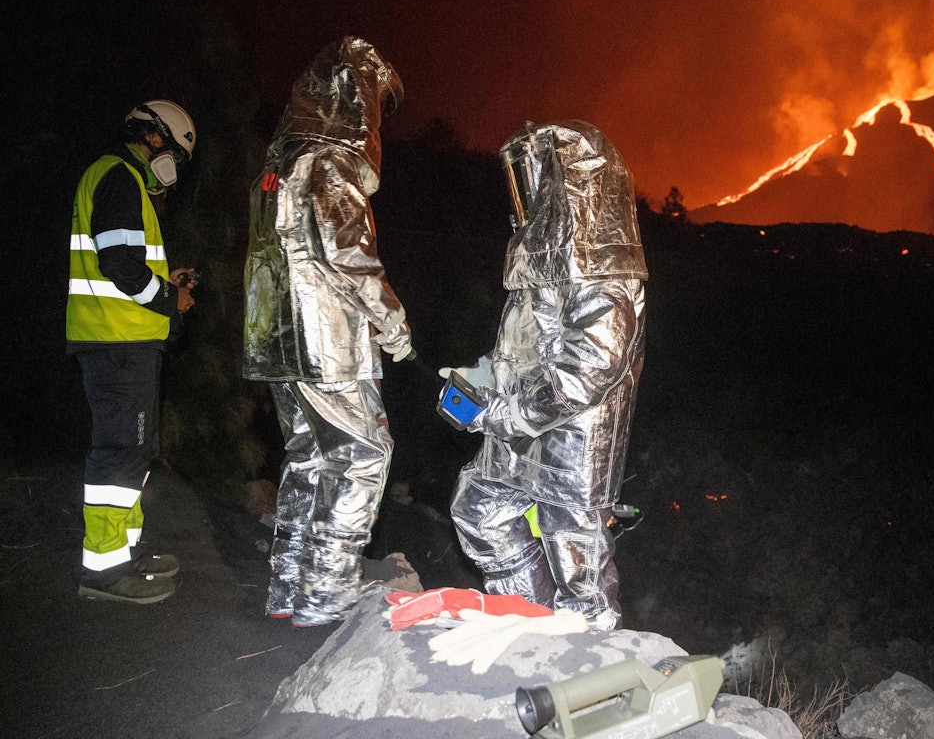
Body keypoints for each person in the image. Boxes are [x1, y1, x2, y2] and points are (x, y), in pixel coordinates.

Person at [444, 120, 647, 631]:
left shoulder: (601, 270)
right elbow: (524, 344)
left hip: (571, 446)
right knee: (478, 511)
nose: (522, 194)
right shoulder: (544, 261)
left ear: (569, 183)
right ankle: (529, 620)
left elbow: (587, 369)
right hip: (518, 437)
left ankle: (589, 668)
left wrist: (505, 411)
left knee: (577, 563)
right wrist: (484, 377)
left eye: (531, 175)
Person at [243, 37, 411, 628]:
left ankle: (289, 586)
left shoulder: (280, 166)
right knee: (364, 454)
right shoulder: (330, 162)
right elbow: (347, 253)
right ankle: (327, 591)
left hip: (276, 342)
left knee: (309, 457)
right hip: (325, 343)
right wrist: (393, 321)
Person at [67, 99, 198, 604]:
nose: (174, 174)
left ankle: (125, 553)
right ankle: (101, 570)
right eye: (177, 159)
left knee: (133, 452)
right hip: (116, 343)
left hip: (121, 341)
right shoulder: (120, 176)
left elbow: (121, 266)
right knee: (121, 452)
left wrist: (167, 283)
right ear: (156, 138)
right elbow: (120, 264)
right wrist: (171, 298)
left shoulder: (120, 180)